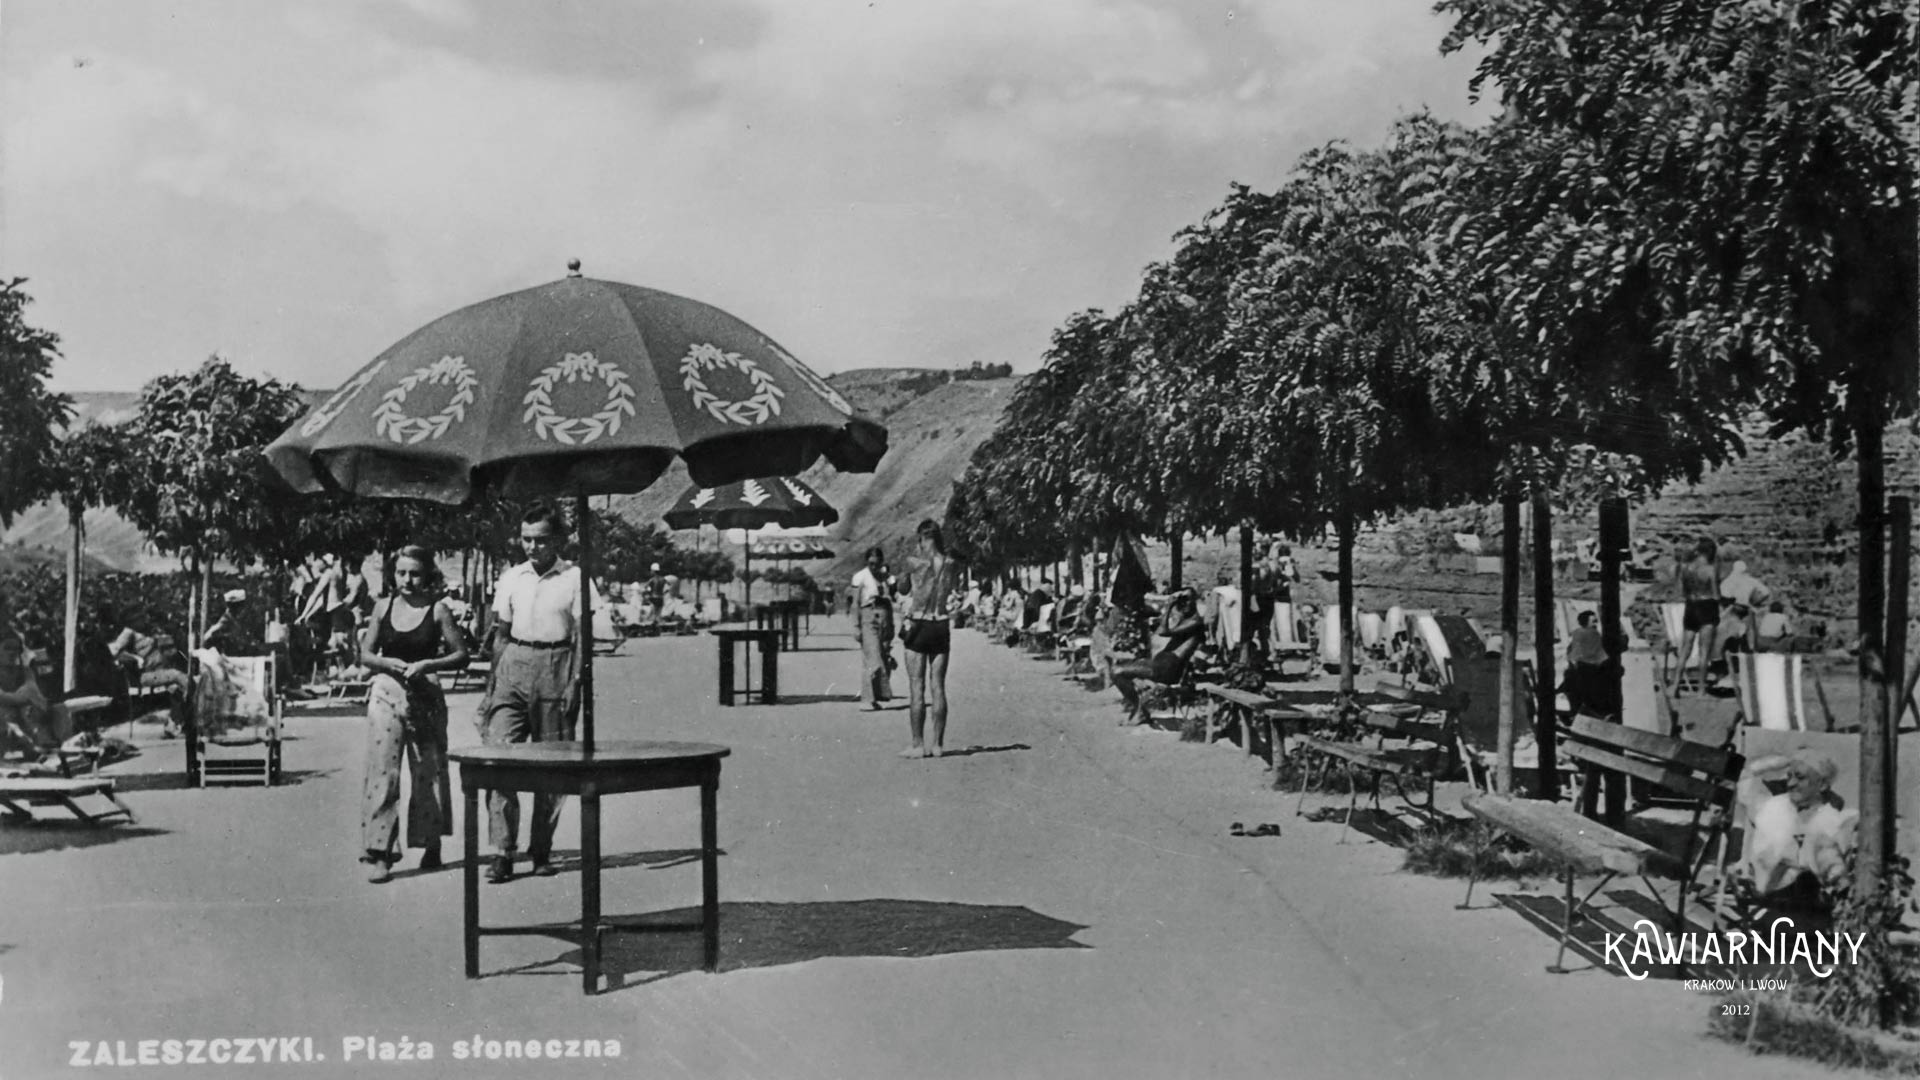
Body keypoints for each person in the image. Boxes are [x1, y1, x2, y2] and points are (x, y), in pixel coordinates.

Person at [481, 503, 600, 883]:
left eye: (541, 540)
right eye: (526, 539)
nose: (532, 547)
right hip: (514, 661)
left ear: (558, 540)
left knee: (552, 763)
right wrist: (491, 687)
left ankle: (542, 849)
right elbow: (500, 634)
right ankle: (502, 850)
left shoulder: (576, 577)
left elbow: (584, 635)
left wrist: (575, 683)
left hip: (556, 662)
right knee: (499, 757)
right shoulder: (512, 577)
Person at [357, 546, 468, 883]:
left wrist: (428, 665)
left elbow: (461, 654)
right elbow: (365, 654)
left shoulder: (438, 611)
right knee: (382, 771)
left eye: (415, 573)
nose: (407, 580)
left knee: (428, 770)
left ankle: (430, 843)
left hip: (425, 695)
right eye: (402, 572)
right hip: (386, 692)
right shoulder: (382, 607)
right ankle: (380, 853)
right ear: (393, 574)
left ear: (427, 575)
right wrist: (386, 663)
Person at [1736, 750, 1858, 900]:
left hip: (1799, 900)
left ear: (1822, 784)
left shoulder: (1831, 821)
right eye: (1789, 776)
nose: (1790, 783)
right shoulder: (1773, 806)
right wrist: (1784, 761)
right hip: (1758, 894)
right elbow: (1746, 777)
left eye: (1800, 778)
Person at [896, 521, 958, 759]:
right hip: (940, 623)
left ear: (921, 539)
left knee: (916, 687)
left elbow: (902, 589)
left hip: (919, 624)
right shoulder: (950, 564)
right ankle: (939, 745)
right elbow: (949, 588)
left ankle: (917, 744)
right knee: (938, 687)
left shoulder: (914, 562)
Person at [1111, 589, 1206, 726]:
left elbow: (1163, 631)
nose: (1184, 603)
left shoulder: (1195, 621)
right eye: (1182, 600)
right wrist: (1174, 608)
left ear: (1195, 600)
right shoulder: (1184, 619)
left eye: (1187, 599)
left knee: (1117, 672)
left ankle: (1139, 710)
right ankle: (1139, 709)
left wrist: (1169, 606)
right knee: (1117, 668)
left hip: (1169, 667)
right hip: (1162, 663)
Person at [108, 622, 190, 738]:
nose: (144, 618)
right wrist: (134, 658)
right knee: (179, 677)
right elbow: (114, 651)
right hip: (145, 676)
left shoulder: (150, 630)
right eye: (139, 615)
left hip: (160, 672)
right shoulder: (128, 632)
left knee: (178, 689)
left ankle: (173, 724)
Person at [848, 547, 895, 711]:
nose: (874, 567)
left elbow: (893, 596)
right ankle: (866, 699)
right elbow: (855, 603)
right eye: (871, 564)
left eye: (877, 563)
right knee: (873, 657)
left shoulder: (885, 577)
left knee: (884, 655)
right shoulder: (860, 577)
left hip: (885, 615)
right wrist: (856, 626)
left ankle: (875, 697)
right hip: (868, 615)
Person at [1675, 536, 1722, 693]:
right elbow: (1716, 595)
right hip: (1707, 607)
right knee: (1704, 651)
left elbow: (1681, 591)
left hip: (1691, 606)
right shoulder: (1710, 569)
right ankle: (1701, 688)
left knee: (1685, 650)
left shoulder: (1685, 567)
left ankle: (1675, 685)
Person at [0, 636, 54, 756]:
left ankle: (41, 745)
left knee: (30, 710)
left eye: (16, 649)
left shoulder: (25, 671)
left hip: (22, 712)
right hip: (4, 715)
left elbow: (32, 689)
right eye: (7, 648)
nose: (12, 652)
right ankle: (28, 745)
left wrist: (24, 697)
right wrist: (21, 697)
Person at [1560, 611, 1611, 715]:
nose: (1595, 624)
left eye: (1596, 621)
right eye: (1593, 621)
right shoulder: (1590, 635)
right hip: (1587, 675)